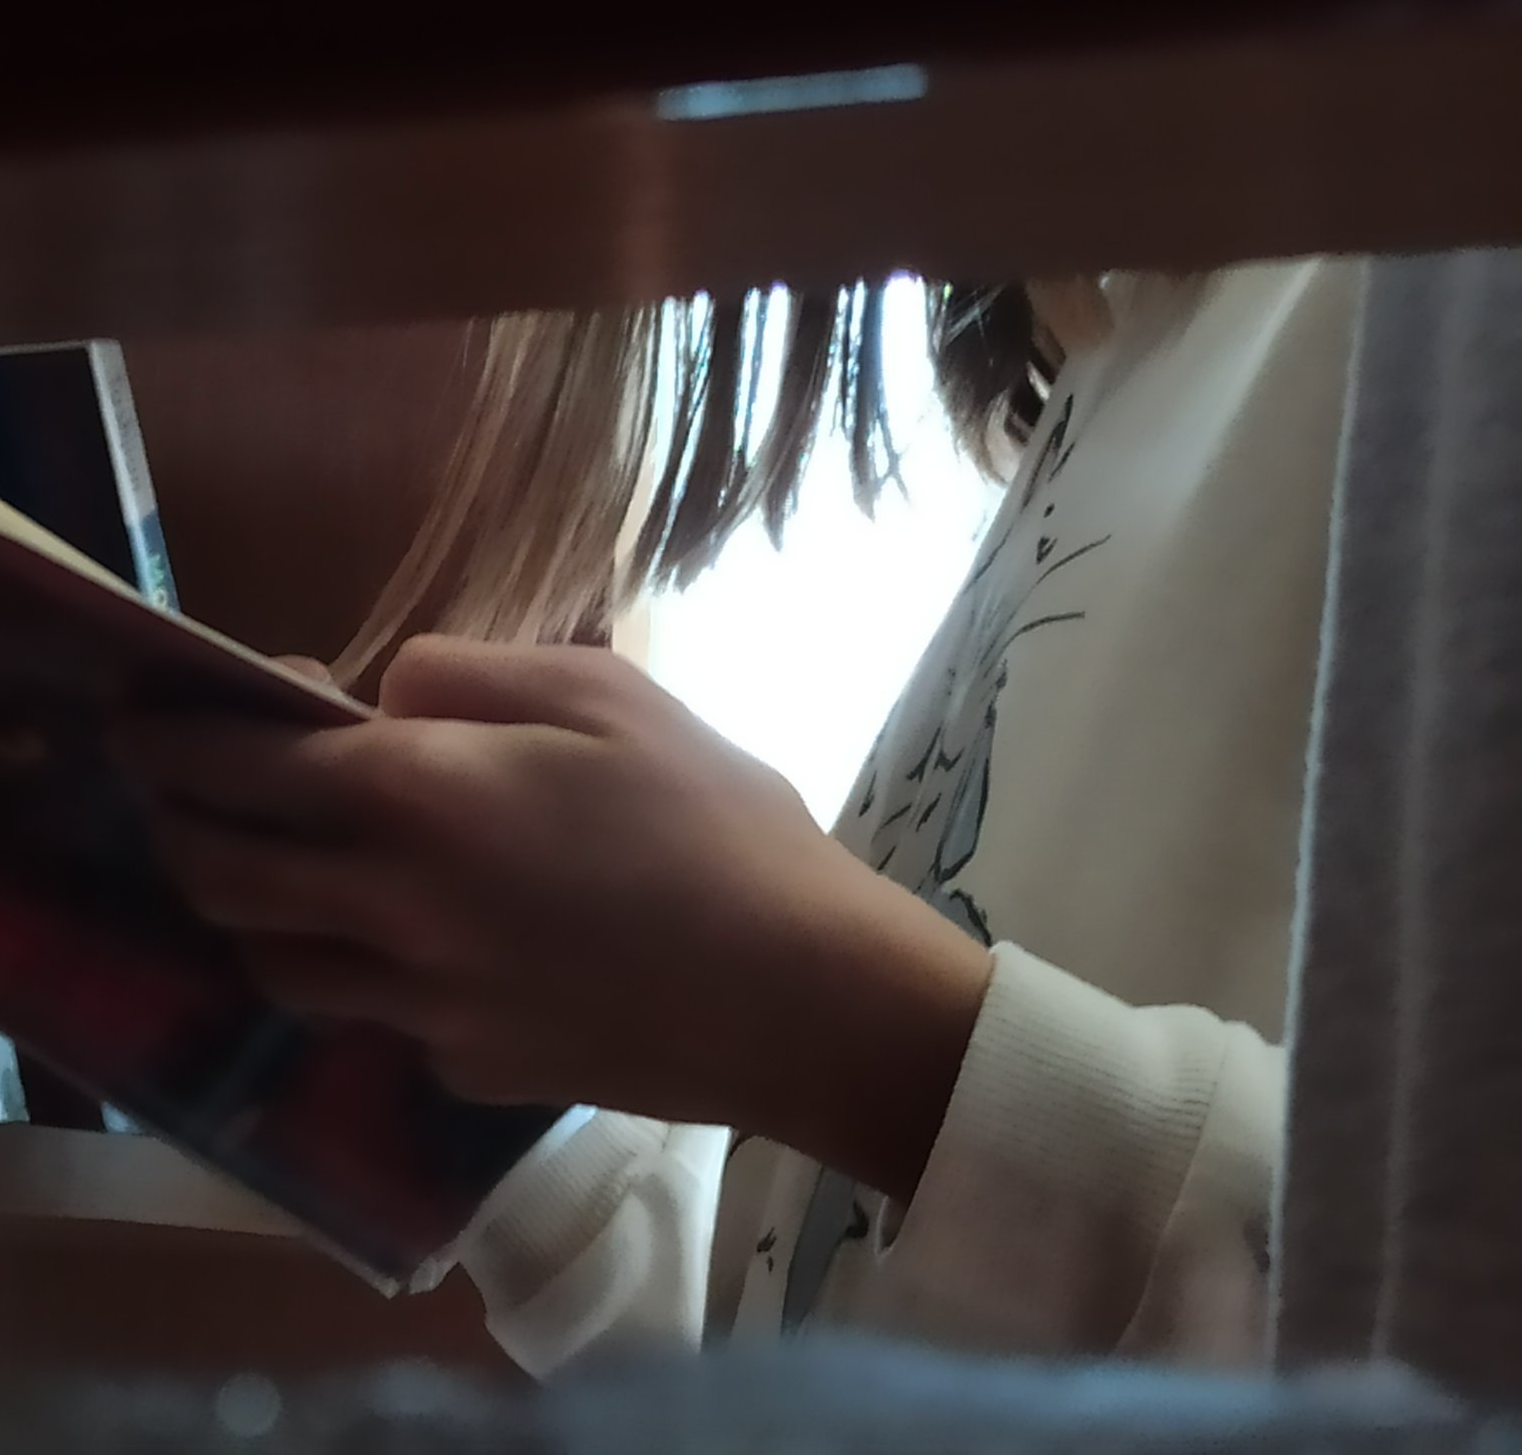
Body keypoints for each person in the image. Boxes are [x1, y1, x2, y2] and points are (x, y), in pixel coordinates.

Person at [117, 258, 1363, 1377]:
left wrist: (824, 1019)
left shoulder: (1390, 282)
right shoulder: (1133, 327)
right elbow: (827, 1318)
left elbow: (1434, 1340)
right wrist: (492, 1108)